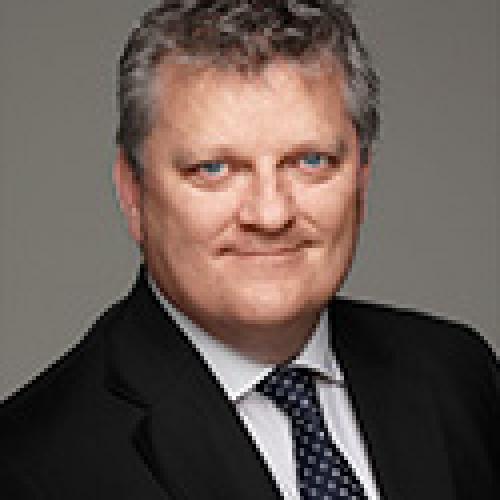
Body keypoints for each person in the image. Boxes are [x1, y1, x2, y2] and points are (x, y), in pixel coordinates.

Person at [1, 1, 498, 499]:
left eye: (310, 161)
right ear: (133, 191)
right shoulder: (30, 465)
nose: (270, 215)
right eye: (214, 169)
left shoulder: (457, 375)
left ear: (361, 180)